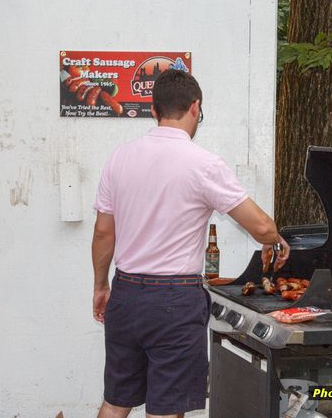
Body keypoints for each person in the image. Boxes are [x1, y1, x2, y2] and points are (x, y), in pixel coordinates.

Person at [91, 69, 290, 418]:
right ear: (195, 107)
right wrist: (274, 238)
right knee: (166, 409)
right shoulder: (204, 164)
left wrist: (100, 286)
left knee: (116, 401)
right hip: (174, 300)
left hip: (125, 293)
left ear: (154, 111)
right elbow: (260, 226)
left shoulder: (119, 157)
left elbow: (104, 233)